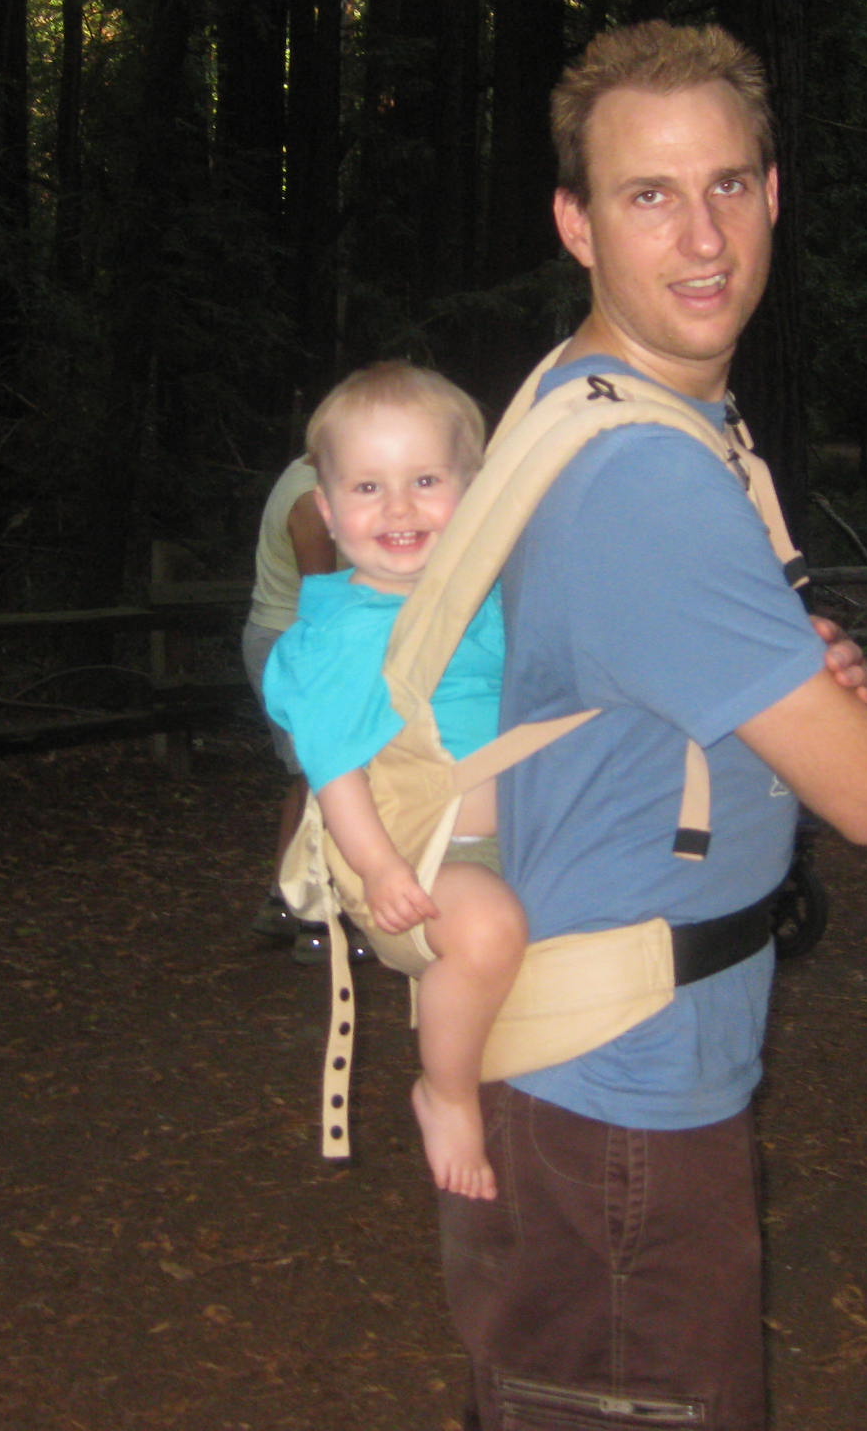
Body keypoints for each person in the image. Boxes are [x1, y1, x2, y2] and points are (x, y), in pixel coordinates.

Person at [439, 22, 867, 1429]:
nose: (702, 236)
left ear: (773, 195)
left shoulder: (594, 402)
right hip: (617, 1109)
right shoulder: (644, 481)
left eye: (726, 185)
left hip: (597, 1079)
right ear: (576, 224)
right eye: (648, 195)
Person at [262, 362, 530, 1202]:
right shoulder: (349, 633)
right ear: (328, 512)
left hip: (528, 836)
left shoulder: (490, 595)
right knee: (483, 929)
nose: (400, 509)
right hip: (424, 856)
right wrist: (381, 870)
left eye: (425, 481)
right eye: (369, 487)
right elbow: (334, 769)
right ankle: (445, 1093)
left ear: (473, 490)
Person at [240, 452, 341, 962]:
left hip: (290, 640)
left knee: (310, 779)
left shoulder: (312, 478)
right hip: (297, 644)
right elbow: (323, 598)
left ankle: (282, 904)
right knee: (329, 781)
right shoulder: (309, 500)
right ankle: (315, 920)